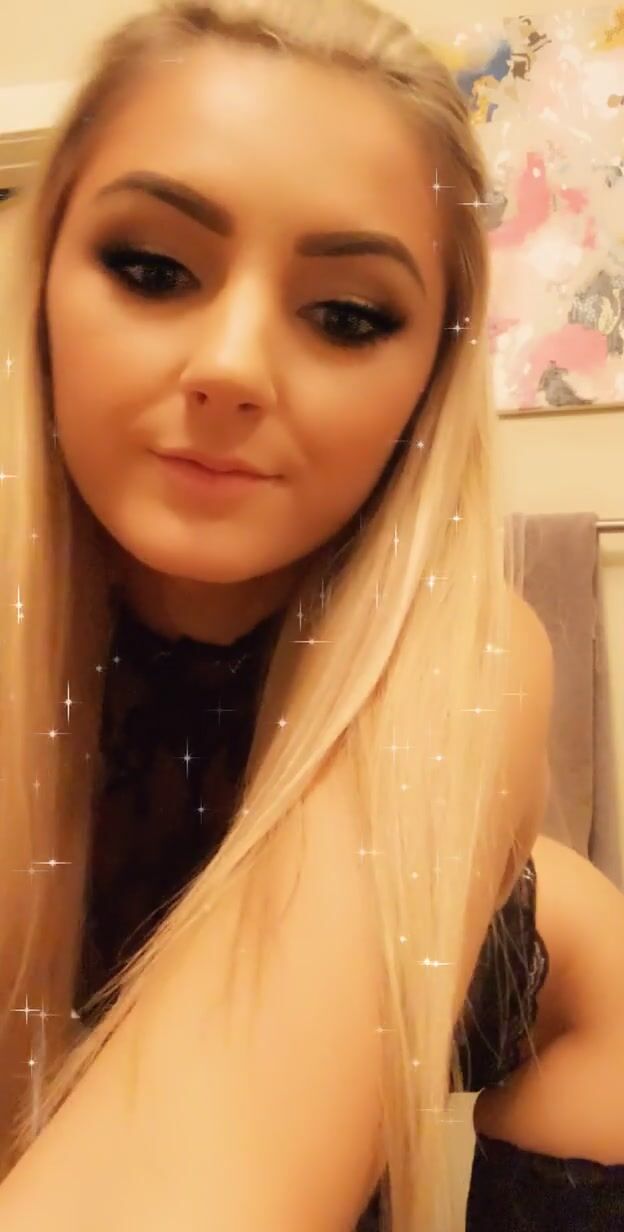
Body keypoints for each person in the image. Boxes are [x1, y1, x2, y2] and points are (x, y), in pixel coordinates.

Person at [0, 1, 622, 1228]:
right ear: (42, 289)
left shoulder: (462, 659)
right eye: (152, 267)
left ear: (428, 383)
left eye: (347, 315)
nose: (231, 365)